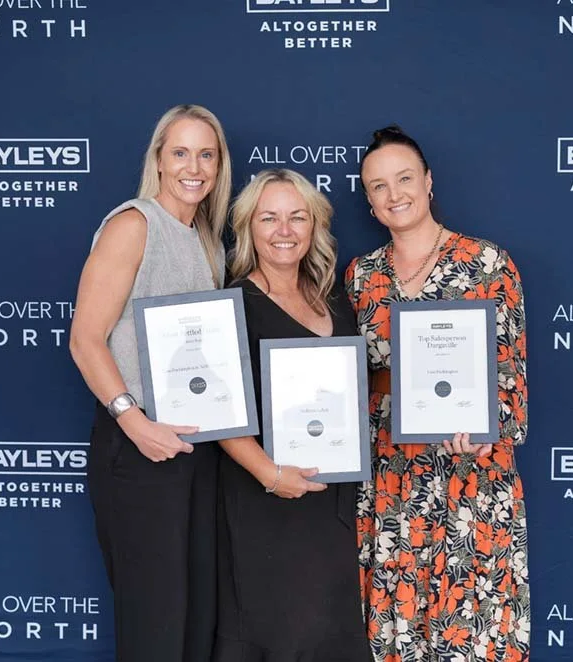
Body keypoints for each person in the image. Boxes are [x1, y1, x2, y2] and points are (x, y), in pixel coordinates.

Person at [345, 126, 530, 661]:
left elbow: (511, 376)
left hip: (472, 477)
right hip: (389, 479)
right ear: (369, 201)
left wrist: (486, 429)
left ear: (428, 182)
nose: (393, 193)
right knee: (394, 634)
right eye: (377, 186)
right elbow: (349, 377)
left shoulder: (489, 263)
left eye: (404, 178)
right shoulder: (361, 276)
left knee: (471, 634)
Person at [68, 104, 232, 662]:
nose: (195, 167)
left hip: (195, 451)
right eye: (180, 152)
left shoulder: (208, 243)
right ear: (159, 161)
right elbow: (85, 339)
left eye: (206, 154)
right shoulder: (133, 224)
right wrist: (134, 422)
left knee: (194, 622)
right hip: (138, 448)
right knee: (155, 627)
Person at [213, 169, 371, 661]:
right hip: (269, 505)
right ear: (248, 229)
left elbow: (357, 386)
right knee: (283, 636)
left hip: (334, 507)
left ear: (314, 226)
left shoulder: (334, 299)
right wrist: (270, 473)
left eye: (297, 217)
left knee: (330, 636)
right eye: (269, 218)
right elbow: (217, 410)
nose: (284, 230)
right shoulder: (232, 304)